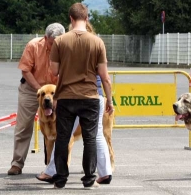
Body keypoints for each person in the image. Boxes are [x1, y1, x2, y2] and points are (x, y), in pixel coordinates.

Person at [37, 22, 112, 184]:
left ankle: (55, 173)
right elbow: (105, 76)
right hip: (95, 95)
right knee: (95, 136)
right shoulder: (96, 43)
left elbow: (55, 71)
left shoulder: (67, 44)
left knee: (64, 135)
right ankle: (101, 174)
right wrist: (109, 99)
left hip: (72, 95)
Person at [7, 23, 66, 175]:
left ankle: (54, 165)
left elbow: (66, 73)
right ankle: (17, 163)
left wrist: (57, 95)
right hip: (31, 88)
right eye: (52, 43)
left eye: (58, 44)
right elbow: (25, 70)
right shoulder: (33, 45)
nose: (55, 47)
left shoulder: (66, 48)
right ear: (45, 38)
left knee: (61, 127)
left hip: (55, 91)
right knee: (23, 125)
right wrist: (39, 90)